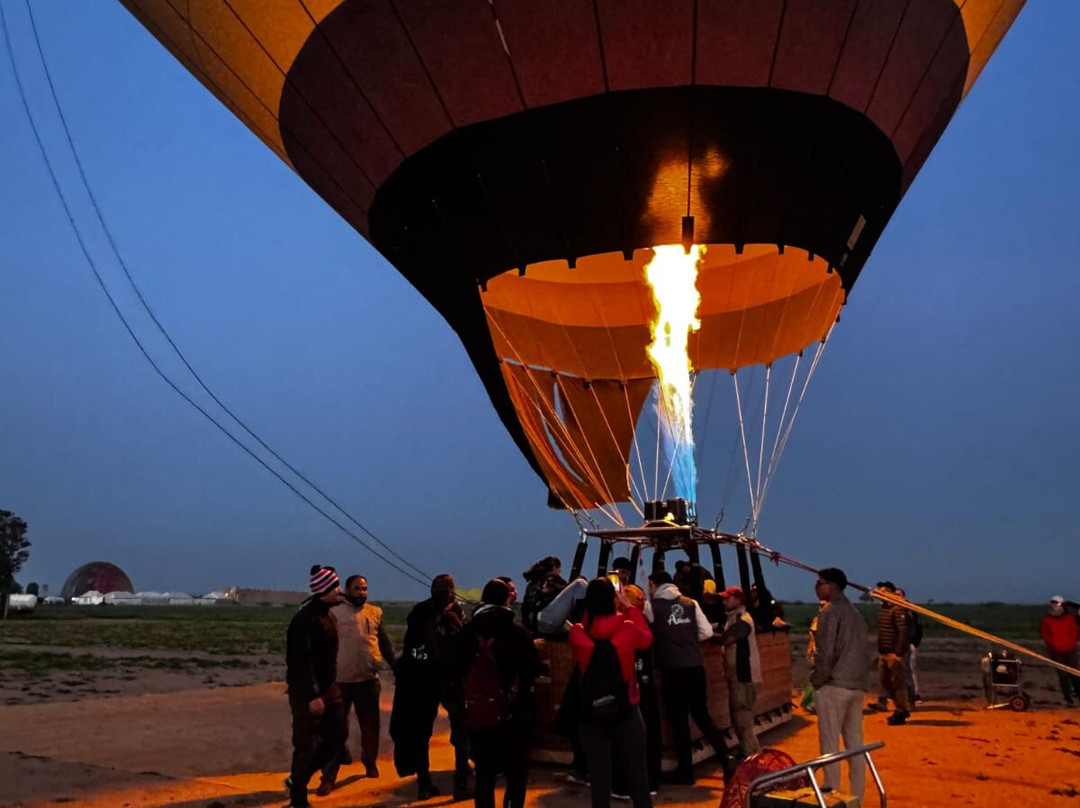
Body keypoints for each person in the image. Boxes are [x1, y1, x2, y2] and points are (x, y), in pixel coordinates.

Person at [452, 578, 544, 808]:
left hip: (479, 716)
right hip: (514, 716)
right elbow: (533, 669)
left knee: (485, 776)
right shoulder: (518, 632)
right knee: (516, 777)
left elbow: (454, 670)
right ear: (506, 600)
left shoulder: (468, 632)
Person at [569, 577, 654, 808]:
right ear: (613, 598)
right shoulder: (627, 627)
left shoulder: (577, 633)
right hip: (626, 708)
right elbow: (647, 639)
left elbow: (589, 625)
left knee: (599, 780)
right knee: (638, 776)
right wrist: (627, 607)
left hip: (591, 712)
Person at [647, 570, 733, 785]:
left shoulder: (651, 607)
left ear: (654, 584)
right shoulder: (691, 603)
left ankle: (685, 771)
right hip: (695, 667)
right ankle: (727, 759)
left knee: (679, 721)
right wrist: (686, 639)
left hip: (672, 670)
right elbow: (706, 633)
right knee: (702, 716)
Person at [390, 573, 471, 801]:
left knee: (422, 733)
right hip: (449, 680)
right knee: (460, 733)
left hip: (421, 680)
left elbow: (411, 650)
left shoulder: (418, 613)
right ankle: (461, 783)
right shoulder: (455, 613)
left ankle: (424, 784)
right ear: (452, 592)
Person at [318, 574, 396, 793]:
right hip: (340, 682)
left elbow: (385, 643)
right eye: (357, 588)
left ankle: (369, 762)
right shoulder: (334, 613)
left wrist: (397, 667)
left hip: (368, 680)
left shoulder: (375, 612)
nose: (362, 592)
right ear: (347, 590)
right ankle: (329, 776)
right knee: (336, 730)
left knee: (370, 727)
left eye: (365, 589)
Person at [285, 566, 345, 808]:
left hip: (330, 689)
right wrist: (312, 694)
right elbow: (300, 660)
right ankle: (298, 799)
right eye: (335, 586)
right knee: (306, 745)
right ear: (324, 590)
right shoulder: (305, 619)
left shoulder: (327, 614)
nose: (339, 591)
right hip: (307, 693)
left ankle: (297, 779)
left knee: (336, 739)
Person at [810, 567, 871, 801]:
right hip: (856, 685)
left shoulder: (830, 612)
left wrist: (817, 680)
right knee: (856, 744)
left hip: (834, 685)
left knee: (829, 741)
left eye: (820, 583)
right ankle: (858, 795)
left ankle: (831, 791)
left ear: (832, 586)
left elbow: (826, 653)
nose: (816, 587)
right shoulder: (856, 614)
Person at [611, 584, 661, 798]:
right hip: (644, 688)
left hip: (628, 691)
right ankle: (649, 782)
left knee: (626, 740)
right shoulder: (645, 622)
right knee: (648, 734)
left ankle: (624, 786)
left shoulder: (624, 624)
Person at [716, 585, 762, 758]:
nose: (724, 601)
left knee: (743, 720)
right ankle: (750, 754)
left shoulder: (743, 620)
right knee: (740, 718)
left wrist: (704, 632)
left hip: (745, 676)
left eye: (727, 598)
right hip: (740, 676)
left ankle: (752, 757)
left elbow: (725, 639)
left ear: (738, 599)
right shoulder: (735, 618)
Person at [874, 581, 912, 725]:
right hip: (883, 651)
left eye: (883, 592)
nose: (879, 594)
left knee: (898, 683)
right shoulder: (883, 608)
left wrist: (898, 652)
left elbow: (903, 631)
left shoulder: (898, 609)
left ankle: (901, 710)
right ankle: (900, 706)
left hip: (893, 653)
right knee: (885, 682)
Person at [1040, 595, 1080, 707]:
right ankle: (1069, 700)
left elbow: (1075, 633)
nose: (1054, 605)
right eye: (1052, 603)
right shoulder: (1046, 619)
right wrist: (1052, 644)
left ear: (1061, 605)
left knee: (1074, 674)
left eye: (1056, 603)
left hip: (1070, 650)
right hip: (1055, 651)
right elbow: (1044, 634)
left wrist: (1070, 643)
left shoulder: (1069, 618)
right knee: (1063, 676)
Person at [521, 556, 566, 633]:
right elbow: (565, 590)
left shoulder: (532, 583)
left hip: (529, 622)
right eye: (559, 568)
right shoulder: (551, 578)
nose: (560, 571)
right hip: (541, 619)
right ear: (555, 567)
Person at [895, 588, 922, 703]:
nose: (896, 596)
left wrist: (914, 643)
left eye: (899, 594)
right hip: (897, 645)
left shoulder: (908, 609)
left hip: (909, 644)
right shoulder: (894, 609)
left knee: (911, 670)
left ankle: (915, 695)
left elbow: (914, 627)